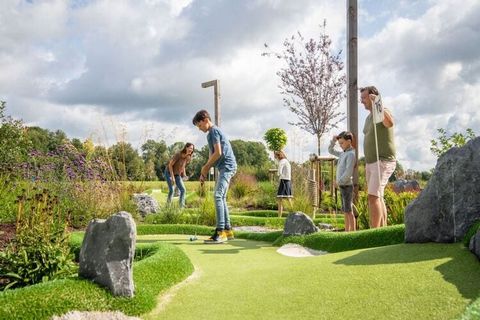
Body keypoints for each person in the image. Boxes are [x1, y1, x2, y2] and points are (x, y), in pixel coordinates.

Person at [192, 110, 237, 244]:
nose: (199, 129)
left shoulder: (214, 131)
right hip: (224, 167)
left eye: (199, 126)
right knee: (221, 197)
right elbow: (212, 155)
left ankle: (220, 232)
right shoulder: (209, 135)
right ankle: (228, 231)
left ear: (205, 120)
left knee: (217, 196)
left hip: (227, 167)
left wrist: (206, 167)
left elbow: (218, 153)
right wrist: (203, 172)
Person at [360, 86, 396, 228]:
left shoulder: (382, 110)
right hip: (371, 162)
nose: (361, 101)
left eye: (363, 98)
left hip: (382, 160)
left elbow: (390, 123)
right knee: (378, 196)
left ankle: (373, 232)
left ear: (372, 97)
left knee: (373, 196)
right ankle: (382, 229)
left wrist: (378, 103)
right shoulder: (369, 117)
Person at [328, 131, 356, 231]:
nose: (340, 146)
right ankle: (347, 231)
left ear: (349, 141)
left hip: (347, 186)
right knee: (345, 210)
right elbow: (330, 150)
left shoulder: (351, 155)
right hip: (342, 186)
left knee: (349, 211)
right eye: (339, 144)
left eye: (342, 143)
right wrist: (333, 141)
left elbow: (348, 173)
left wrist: (338, 182)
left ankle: (353, 233)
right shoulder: (342, 153)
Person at [164, 143, 195, 208]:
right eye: (190, 148)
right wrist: (172, 177)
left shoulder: (188, 157)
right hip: (169, 173)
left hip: (177, 174)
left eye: (192, 149)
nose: (191, 150)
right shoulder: (178, 154)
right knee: (172, 190)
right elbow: (170, 165)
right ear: (186, 147)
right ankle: (167, 207)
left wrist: (185, 175)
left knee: (183, 190)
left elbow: (183, 167)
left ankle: (181, 208)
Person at [274, 150, 293, 218]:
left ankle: (293, 214)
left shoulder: (282, 161)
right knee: (286, 198)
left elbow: (279, 171)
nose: (276, 158)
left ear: (278, 156)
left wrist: (278, 174)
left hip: (284, 181)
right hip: (287, 180)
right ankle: (280, 217)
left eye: (276, 157)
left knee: (284, 199)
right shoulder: (286, 161)